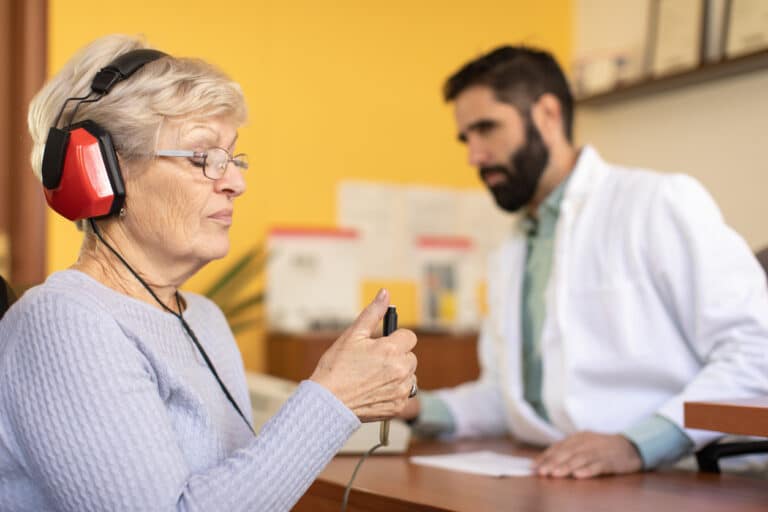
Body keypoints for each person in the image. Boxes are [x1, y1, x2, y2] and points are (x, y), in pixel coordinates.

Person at [0, 35, 417, 511]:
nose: (236, 182)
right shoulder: (62, 321)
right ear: (102, 172)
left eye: (233, 157)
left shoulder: (204, 318)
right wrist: (332, 398)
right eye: (203, 157)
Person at [401, 45, 768, 478]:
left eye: (487, 129)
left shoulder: (656, 203)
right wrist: (414, 407)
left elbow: (755, 357)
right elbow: (511, 399)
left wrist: (639, 443)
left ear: (548, 115)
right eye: (467, 138)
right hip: (565, 477)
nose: (474, 157)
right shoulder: (513, 249)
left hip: (685, 477)